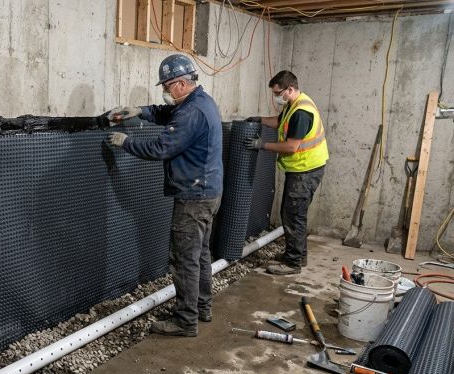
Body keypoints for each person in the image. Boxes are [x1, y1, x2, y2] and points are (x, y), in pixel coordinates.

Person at [107, 54, 223, 337]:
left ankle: (185, 321)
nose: (166, 92)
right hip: (208, 191)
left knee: (184, 259)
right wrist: (139, 111)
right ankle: (202, 308)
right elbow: (166, 113)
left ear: (181, 83)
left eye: (168, 86)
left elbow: (161, 149)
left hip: (194, 197)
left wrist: (126, 142)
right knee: (200, 255)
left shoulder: (190, 113)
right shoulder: (200, 102)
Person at [245, 70, 329, 275]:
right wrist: (260, 119)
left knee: (293, 216)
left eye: (278, 93)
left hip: (305, 170)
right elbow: (280, 121)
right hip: (303, 168)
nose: (276, 97)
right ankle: (299, 256)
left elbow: (291, 147)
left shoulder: (301, 112)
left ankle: (293, 263)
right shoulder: (295, 103)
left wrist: (261, 145)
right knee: (295, 214)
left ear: (290, 89)